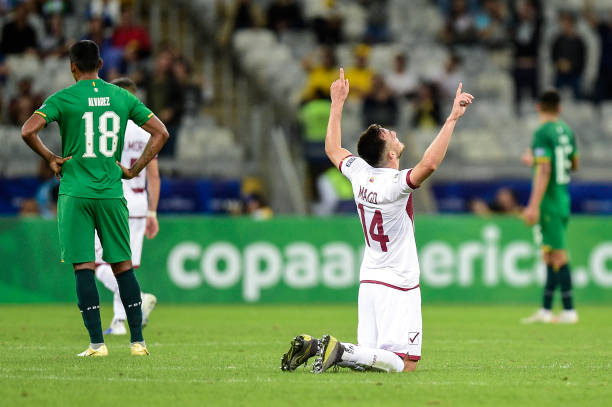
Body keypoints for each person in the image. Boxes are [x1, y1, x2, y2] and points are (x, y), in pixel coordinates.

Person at [281, 68, 473, 373]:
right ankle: (339, 348)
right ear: (388, 154)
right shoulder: (394, 185)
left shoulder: (359, 172)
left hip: (369, 279)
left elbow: (332, 148)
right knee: (404, 364)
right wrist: (451, 120)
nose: (394, 134)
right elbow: (431, 163)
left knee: (369, 360)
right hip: (398, 282)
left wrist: (337, 102)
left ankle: (317, 346)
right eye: (389, 135)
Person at [20, 40, 169, 356]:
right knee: (124, 266)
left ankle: (96, 344)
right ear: (101, 66)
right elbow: (161, 133)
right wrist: (132, 170)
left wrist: (50, 158)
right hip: (112, 193)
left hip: (75, 192)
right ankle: (138, 342)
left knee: (84, 267)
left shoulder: (62, 98)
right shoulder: (122, 96)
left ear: (72, 67)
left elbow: (27, 130)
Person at [94, 77, 160, 336]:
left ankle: (138, 299)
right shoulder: (146, 131)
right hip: (140, 206)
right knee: (125, 266)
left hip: (113, 203)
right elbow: (153, 176)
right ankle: (120, 322)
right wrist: (153, 211)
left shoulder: (109, 128)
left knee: (101, 267)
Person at [521, 90, 578, 324]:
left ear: (538, 107)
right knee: (549, 254)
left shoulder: (542, 133)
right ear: (560, 108)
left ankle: (569, 310)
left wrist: (533, 205)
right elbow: (573, 163)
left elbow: (545, 170)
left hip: (550, 201)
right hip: (563, 197)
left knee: (558, 255)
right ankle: (546, 310)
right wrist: (537, 160)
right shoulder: (566, 131)